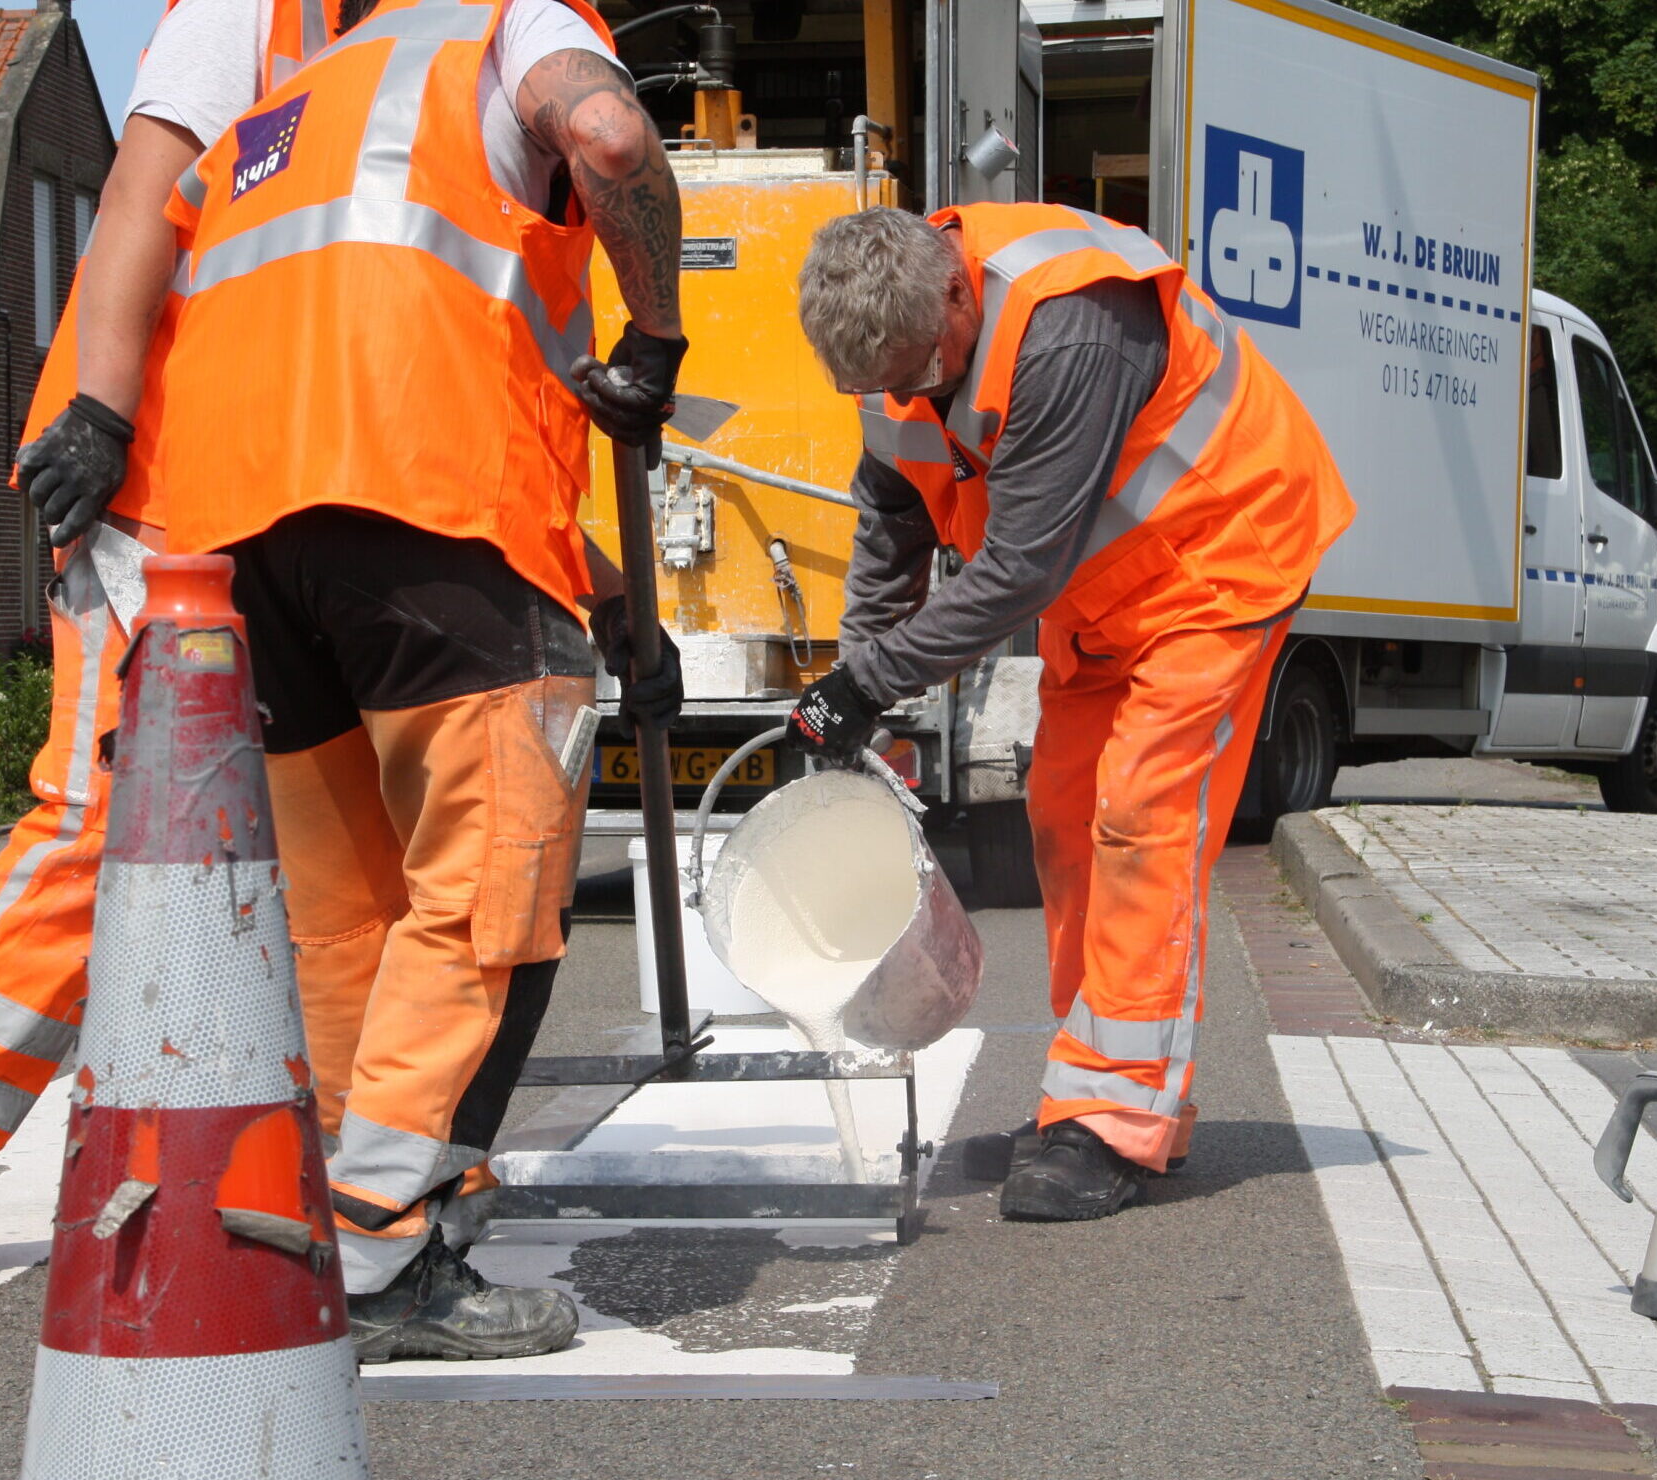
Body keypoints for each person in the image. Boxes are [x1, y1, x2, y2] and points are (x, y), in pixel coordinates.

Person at [152, 0, 684, 1361]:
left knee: (344, 923)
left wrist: (609, 595)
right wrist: (657, 338)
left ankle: (337, 1224)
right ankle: (390, 1255)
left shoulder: (304, 92)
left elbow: (355, 355)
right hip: (437, 506)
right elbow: (614, 139)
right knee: (486, 898)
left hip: (249, 531)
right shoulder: (513, 26)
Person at [0, 0, 353, 1292]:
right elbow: (139, 191)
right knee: (93, 817)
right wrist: (100, 412)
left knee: (333, 840)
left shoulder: (438, 31)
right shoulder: (254, 11)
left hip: (283, 496)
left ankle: (353, 1167)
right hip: (159, 488)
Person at [789, 204, 1353, 1222]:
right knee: (1061, 819)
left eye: (921, 370)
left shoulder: (1071, 325)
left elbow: (1017, 569)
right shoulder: (899, 345)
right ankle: (1090, 1086)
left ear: (957, 293)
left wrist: (869, 684)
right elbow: (894, 520)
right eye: (884, 385)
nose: (906, 395)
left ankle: (1111, 1122)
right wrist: (854, 679)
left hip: (1217, 562)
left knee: (1141, 816)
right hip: (1110, 593)